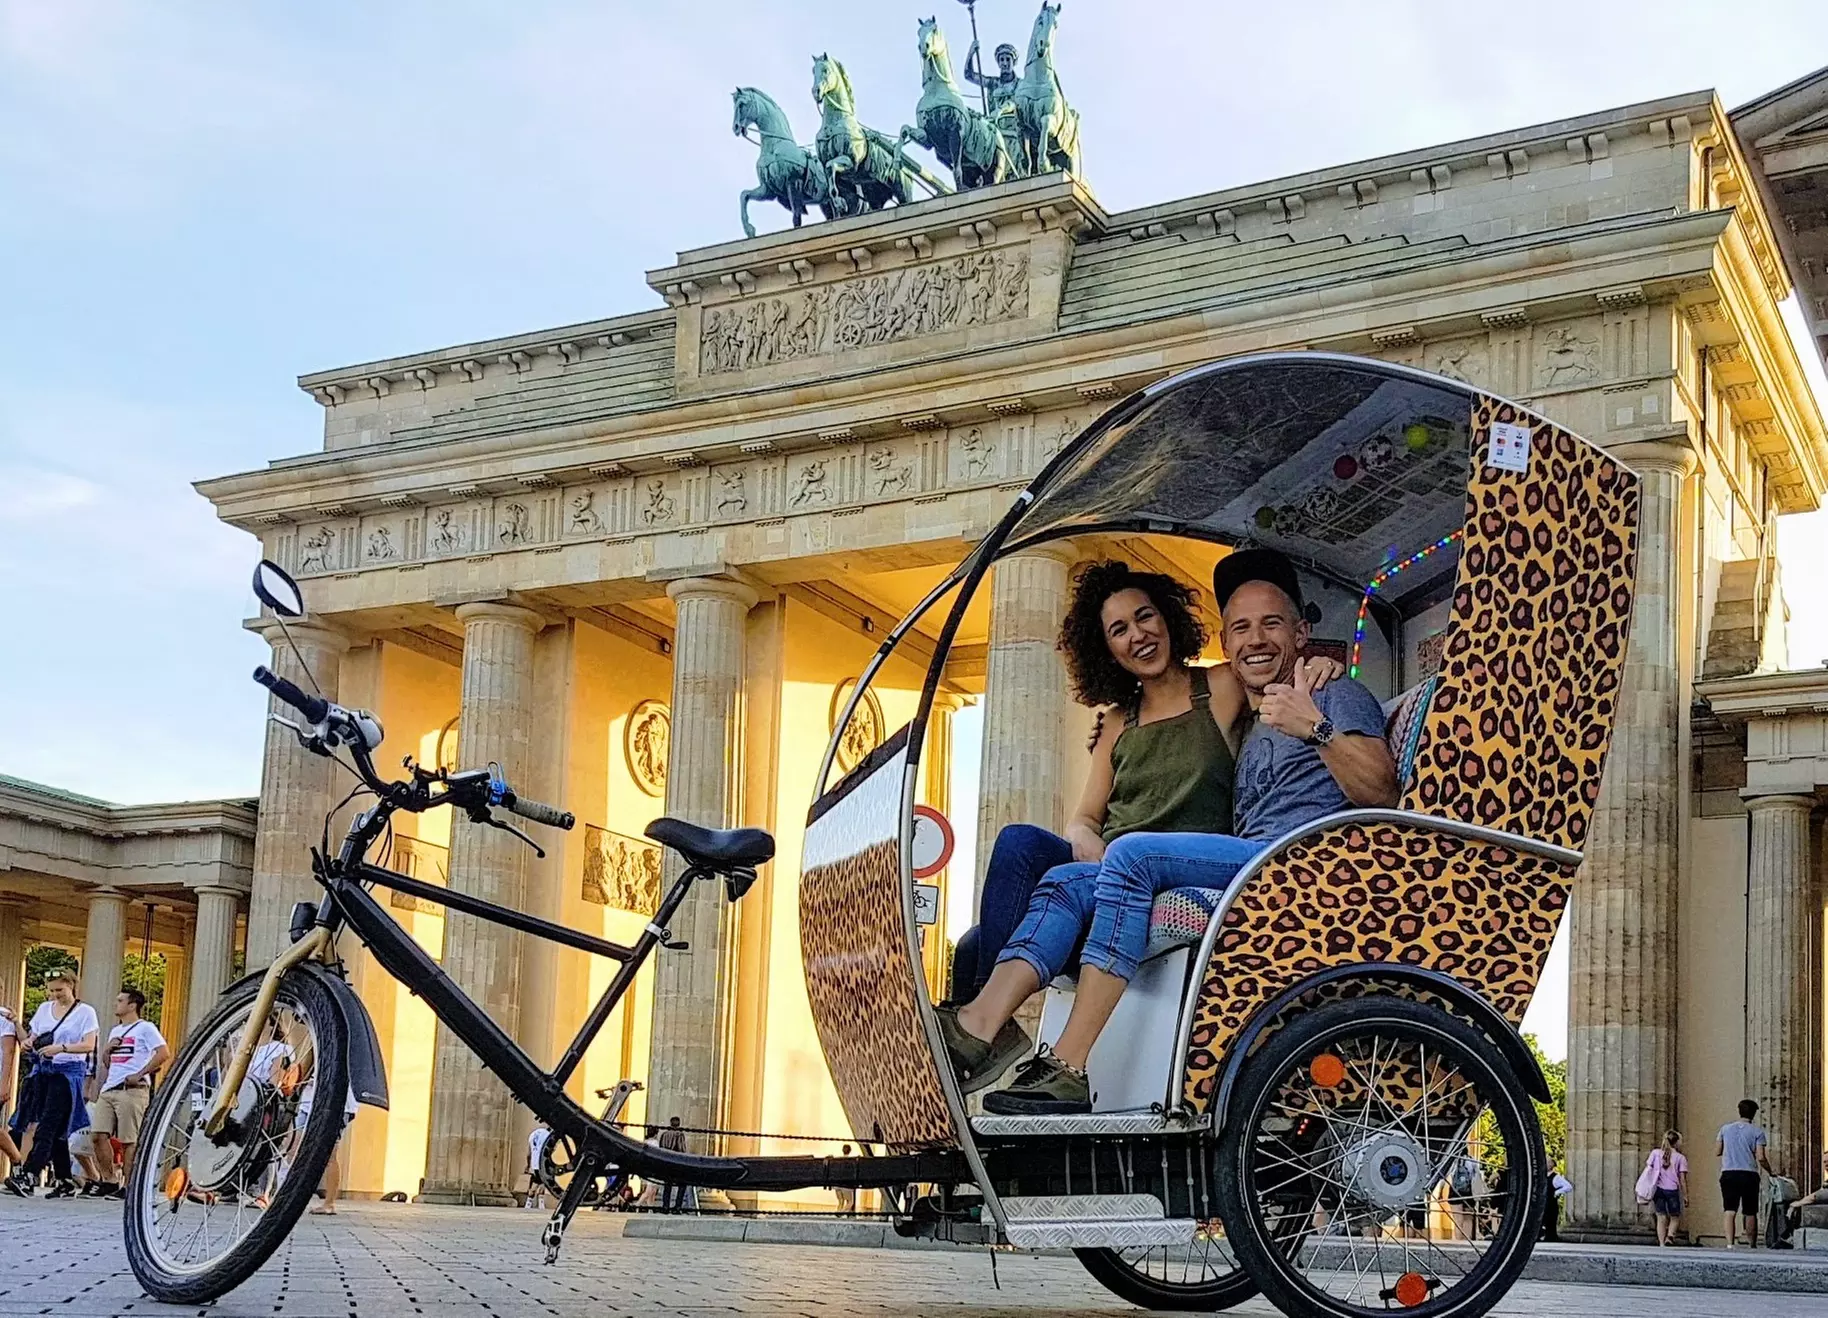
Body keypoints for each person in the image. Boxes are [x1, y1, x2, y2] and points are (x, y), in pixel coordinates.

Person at [942, 550, 1398, 1114]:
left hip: (1289, 863)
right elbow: (1092, 809)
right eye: (1241, 629)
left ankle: (1068, 1064)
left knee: (1129, 855)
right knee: (1062, 879)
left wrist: (1318, 722)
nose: (1256, 640)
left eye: (1272, 624)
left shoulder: (1329, 695)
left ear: (1302, 633)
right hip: (1241, 859)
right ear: (1226, 643)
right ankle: (980, 1025)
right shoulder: (1257, 710)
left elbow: (1381, 791)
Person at [950, 560, 1339, 1007]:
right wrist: (1085, 838)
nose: (1138, 635)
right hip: (1109, 866)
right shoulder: (1116, 722)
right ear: (1106, 648)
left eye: (1145, 616)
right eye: (1119, 630)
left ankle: (987, 1020)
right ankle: (990, 1024)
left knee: (982, 942)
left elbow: (1269, 666)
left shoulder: (1221, 685)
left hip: (1178, 863)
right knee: (997, 890)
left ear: (1167, 618)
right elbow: (1085, 818)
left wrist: (1318, 664)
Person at [6, 968, 98, 1197]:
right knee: (54, 1127)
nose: (56, 995)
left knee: (47, 1125)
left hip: (67, 1073)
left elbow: (89, 1044)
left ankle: (29, 1173)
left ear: (71, 986)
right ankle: (65, 1179)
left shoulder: (86, 1012)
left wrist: (61, 1048)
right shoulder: (44, 1009)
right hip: (43, 1072)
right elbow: (33, 1036)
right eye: (52, 991)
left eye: (60, 990)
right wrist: (27, 1040)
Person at [84, 988, 169, 1199]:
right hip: (110, 1088)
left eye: (120, 1000)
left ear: (132, 1005)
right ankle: (109, 1180)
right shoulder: (115, 1031)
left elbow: (163, 1053)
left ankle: (130, 1186)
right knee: (98, 1135)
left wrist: (140, 1073)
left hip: (132, 1089)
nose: (116, 1004)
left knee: (129, 1140)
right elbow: (108, 1063)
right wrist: (107, 1050)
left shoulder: (145, 1028)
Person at [1717, 1098, 1773, 1248]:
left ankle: (1730, 1244)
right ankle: (1751, 1244)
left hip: (1729, 1172)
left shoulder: (1725, 1129)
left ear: (1739, 1111)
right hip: (1749, 1173)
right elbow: (1761, 1157)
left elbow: (1718, 1151)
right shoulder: (1757, 1132)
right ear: (1753, 1114)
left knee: (1729, 1209)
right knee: (1750, 1210)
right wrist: (1770, 1171)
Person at [1644, 1130, 1688, 1246]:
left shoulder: (1655, 1153)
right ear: (1677, 1142)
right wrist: (1685, 1195)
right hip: (1672, 1190)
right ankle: (1670, 1236)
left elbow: (1649, 1169)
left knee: (1661, 1216)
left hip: (1658, 1189)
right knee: (1675, 1216)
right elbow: (1682, 1179)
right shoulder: (1680, 1158)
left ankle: (1662, 1243)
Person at [657, 1116, 689, 1213]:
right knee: (682, 1184)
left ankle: (665, 1206)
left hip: (666, 1163)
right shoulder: (679, 1135)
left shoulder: (664, 1134)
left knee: (667, 1185)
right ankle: (677, 1206)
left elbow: (660, 1148)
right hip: (676, 1163)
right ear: (678, 1124)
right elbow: (682, 1150)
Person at [525, 1119, 551, 1211]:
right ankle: (538, 1203)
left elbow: (529, 1154)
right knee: (540, 1182)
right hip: (543, 1162)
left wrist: (528, 1165)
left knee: (537, 1181)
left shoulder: (532, 1135)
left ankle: (531, 1203)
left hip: (534, 1163)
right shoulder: (547, 1135)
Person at [1544, 1168, 1572, 1241]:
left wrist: (1557, 1192)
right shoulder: (1543, 1176)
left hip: (1551, 1203)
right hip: (1544, 1203)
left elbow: (1568, 1186)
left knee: (1550, 1220)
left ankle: (1551, 1237)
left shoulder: (1556, 1177)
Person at [834, 1143, 857, 1217]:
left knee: (840, 1201)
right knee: (850, 1202)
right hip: (846, 1184)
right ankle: (841, 1213)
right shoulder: (851, 1161)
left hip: (836, 1184)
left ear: (842, 1150)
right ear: (850, 1151)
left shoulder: (837, 1160)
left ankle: (838, 1213)